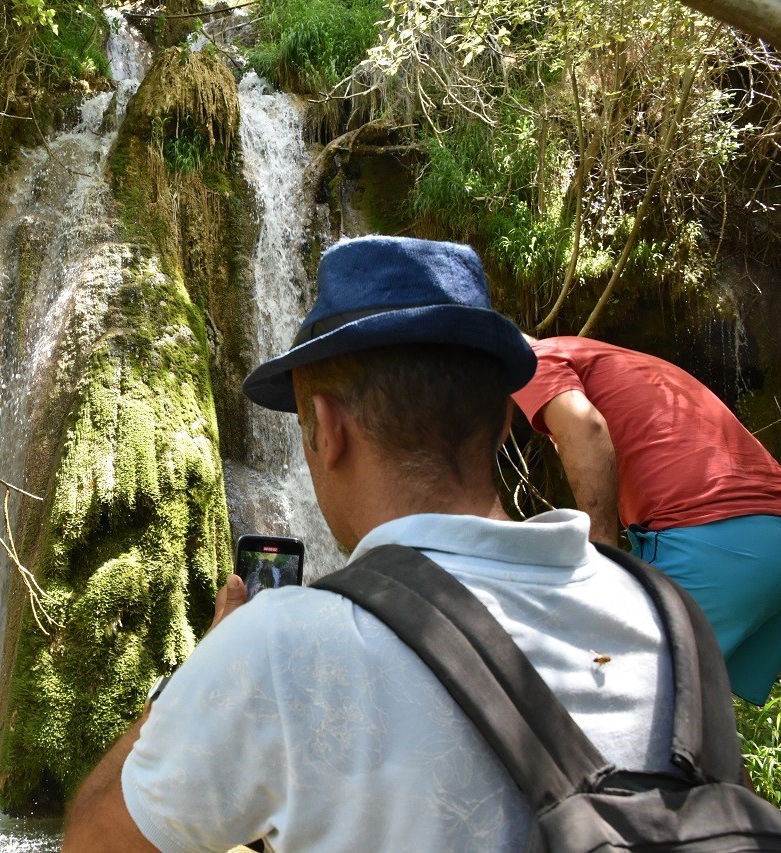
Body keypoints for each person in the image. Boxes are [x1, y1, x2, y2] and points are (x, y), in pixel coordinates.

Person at [61, 236, 680, 852]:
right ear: (504, 425)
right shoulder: (665, 616)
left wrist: (195, 677)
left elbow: (92, 843)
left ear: (326, 430)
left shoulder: (282, 648)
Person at [512, 335, 781, 705]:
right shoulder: (615, 358)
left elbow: (584, 428)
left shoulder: (534, 359)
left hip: (711, 541)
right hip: (768, 538)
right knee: (693, 722)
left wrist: (601, 561)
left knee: (606, 696)